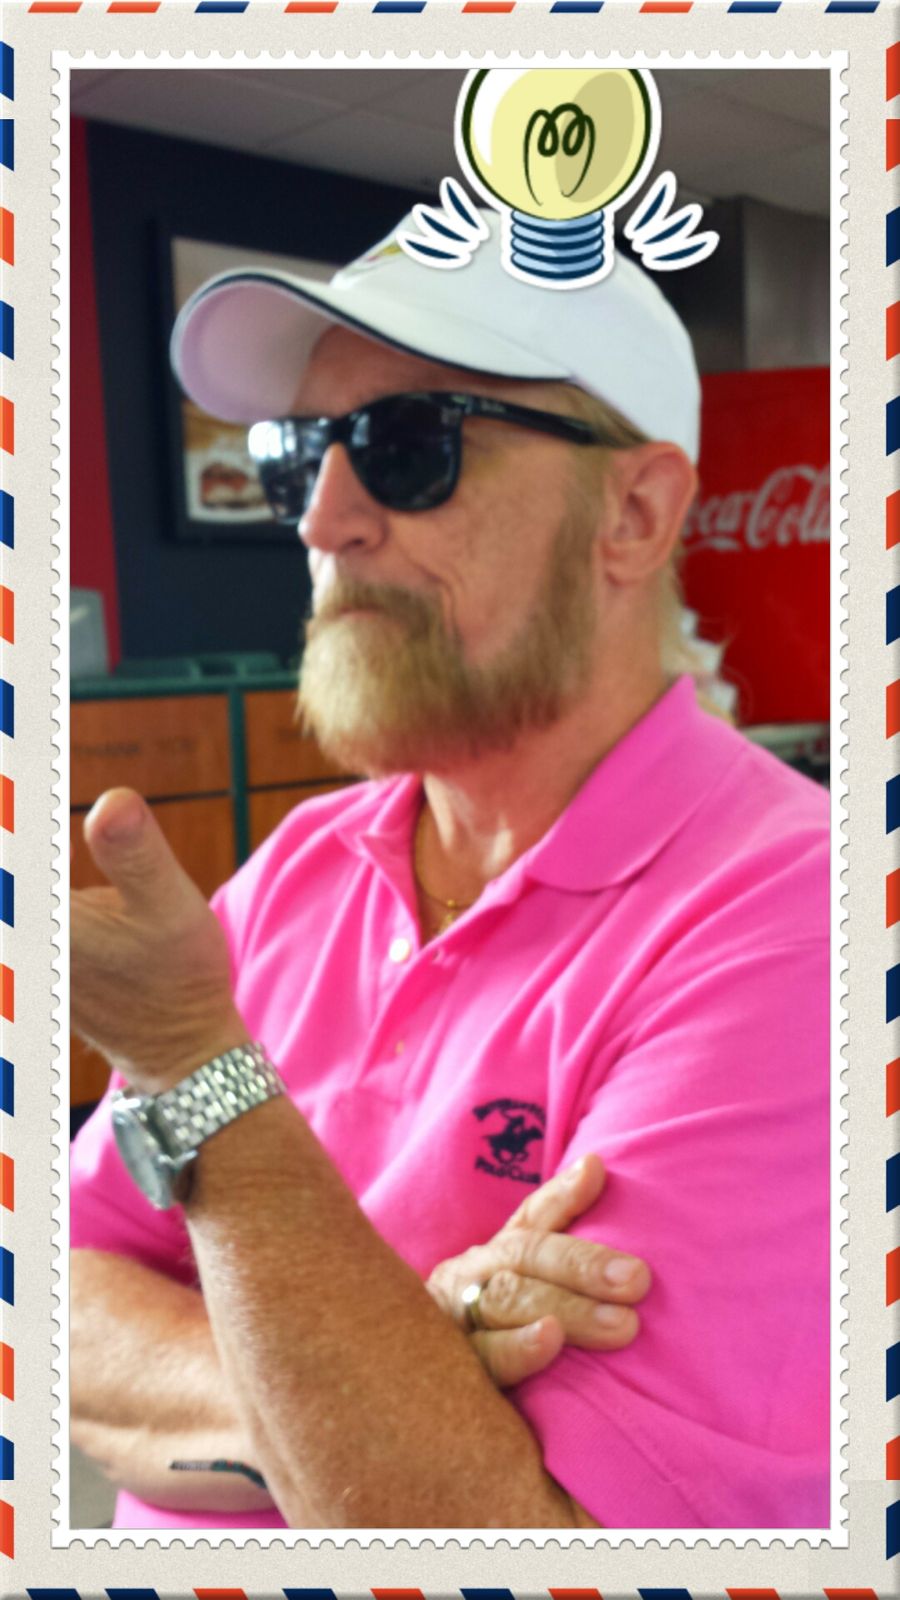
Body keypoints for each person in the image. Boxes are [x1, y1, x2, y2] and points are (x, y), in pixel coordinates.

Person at [70, 206, 830, 1531]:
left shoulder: (797, 918)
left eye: (406, 446)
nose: (324, 520)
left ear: (634, 514)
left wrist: (197, 1067)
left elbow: (501, 1530)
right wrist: (383, 1371)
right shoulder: (306, 863)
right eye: (295, 454)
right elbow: (61, 1295)